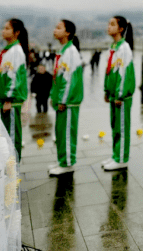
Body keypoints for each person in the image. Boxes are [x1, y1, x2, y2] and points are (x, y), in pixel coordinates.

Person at [49, 20, 84, 176]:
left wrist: (63, 99)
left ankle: (68, 163)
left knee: (67, 133)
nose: (55, 30)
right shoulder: (63, 51)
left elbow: (69, 78)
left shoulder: (70, 52)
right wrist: (54, 96)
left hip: (68, 102)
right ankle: (62, 159)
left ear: (68, 33)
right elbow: (59, 78)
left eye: (58, 28)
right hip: (62, 101)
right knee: (61, 132)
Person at [102, 16, 136, 171]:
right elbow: (110, 71)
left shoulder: (124, 48)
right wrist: (107, 90)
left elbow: (124, 73)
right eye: (109, 24)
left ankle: (122, 158)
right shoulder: (114, 47)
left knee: (122, 127)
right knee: (114, 126)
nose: (109, 27)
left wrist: (120, 94)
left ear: (121, 29)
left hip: (121, 97)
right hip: (114, 95)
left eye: (112, 24)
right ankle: (116, 154)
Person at [0, 18, 29, 161]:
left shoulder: (15, 51)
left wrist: (8, 99)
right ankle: (9, 164)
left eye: (7, 28)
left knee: (12, 136)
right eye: (3, 28)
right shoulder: (8, 51)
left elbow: (13, 77)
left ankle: (14, 166)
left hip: (12, 101)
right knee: (7, 135)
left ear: (16, 32)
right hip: (6, 101)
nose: (3, 31)